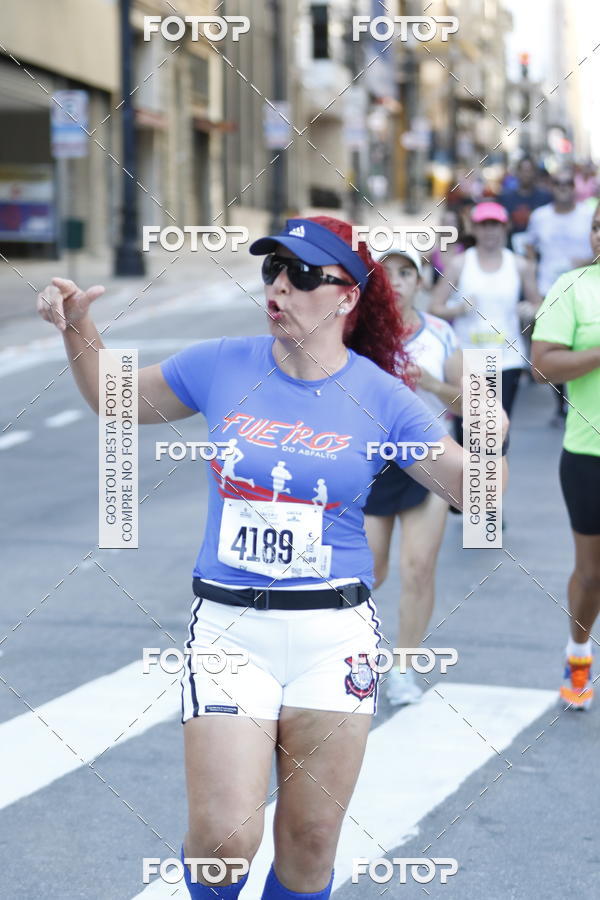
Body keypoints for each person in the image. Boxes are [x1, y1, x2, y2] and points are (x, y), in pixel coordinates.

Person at [36, 216, 472, 900]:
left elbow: (473, 490)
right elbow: (115, 399)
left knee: (310, 846)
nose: (279, 286)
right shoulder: (220, 364)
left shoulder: (381, 394)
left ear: (347, 295)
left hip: (335, 637)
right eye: (272, 270)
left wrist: (487, 428)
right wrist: (77, 329)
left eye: (302, 274)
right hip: (232, 630)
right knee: (224, 840)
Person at [363, 242, 463, 705]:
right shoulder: (357, 332)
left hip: (429, 458)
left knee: (418, 567)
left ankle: (403, 669)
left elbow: (473, 401)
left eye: (406, 273)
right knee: (370, 569)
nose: (396, 281)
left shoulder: (441, 333)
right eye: (388, 273)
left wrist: (431, 383)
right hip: (372, 460)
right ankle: (349, 652)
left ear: (421, 281)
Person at [531, 200, 600, 710]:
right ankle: (578, 653)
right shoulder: (572, 288)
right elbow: (542, 365)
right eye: (596, 226)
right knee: (592, 573)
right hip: (588, 454)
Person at [429, 201, 541, 432]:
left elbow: (538, 304)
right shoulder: (459, 264)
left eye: (495, 225)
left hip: (507, 359)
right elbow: (434, 307)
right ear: (474, 229)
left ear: (505, 228)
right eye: (484, 225)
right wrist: (457, 309)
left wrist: (531, 310)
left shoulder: (520, 265)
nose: (490, 231)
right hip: (468, 358)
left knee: (496, 432)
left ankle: (495, 458)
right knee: (469, 432)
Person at [524, 168, 595, 423]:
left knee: (577, 344)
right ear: (551, 187)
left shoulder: (588, 214)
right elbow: (529, 246)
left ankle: (574, 401)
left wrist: (585, 262)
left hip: (582, 287)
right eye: (558, 183)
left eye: (568, 183)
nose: (563, 187)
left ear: (574, 187)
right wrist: (532, 279)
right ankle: (560, 403)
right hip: (548, 288)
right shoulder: (540, 216)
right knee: (552, 346)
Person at [497, 156, 552, 246]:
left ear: (535, 173)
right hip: (512, 245)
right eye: (523, 170)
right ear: (517, 172)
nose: (526, 174)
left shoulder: (545, 197)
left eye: (529, 171)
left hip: (539, 245)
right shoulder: (506, 198)